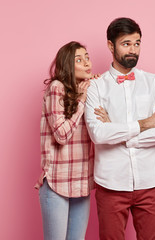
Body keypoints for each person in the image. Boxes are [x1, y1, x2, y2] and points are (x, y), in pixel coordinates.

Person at [84, 17, 155, 239]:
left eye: (137, 43)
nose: (133, 49)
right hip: (111, 184)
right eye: (126, 43)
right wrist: (146, 123)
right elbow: (98, 134)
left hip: (151, 181)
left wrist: (119, 133)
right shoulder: (95, 86)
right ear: (110, 46)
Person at [35, 41, 109, 240]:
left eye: (87, 57)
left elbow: (104, 128)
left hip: (81, 181)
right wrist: (81, 100)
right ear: (68, 64)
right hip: (57, 181)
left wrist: (94, 92)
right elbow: (61, 135)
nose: (87, 63)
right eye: (79, 59)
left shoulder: (88, 89)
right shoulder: (56, 88)